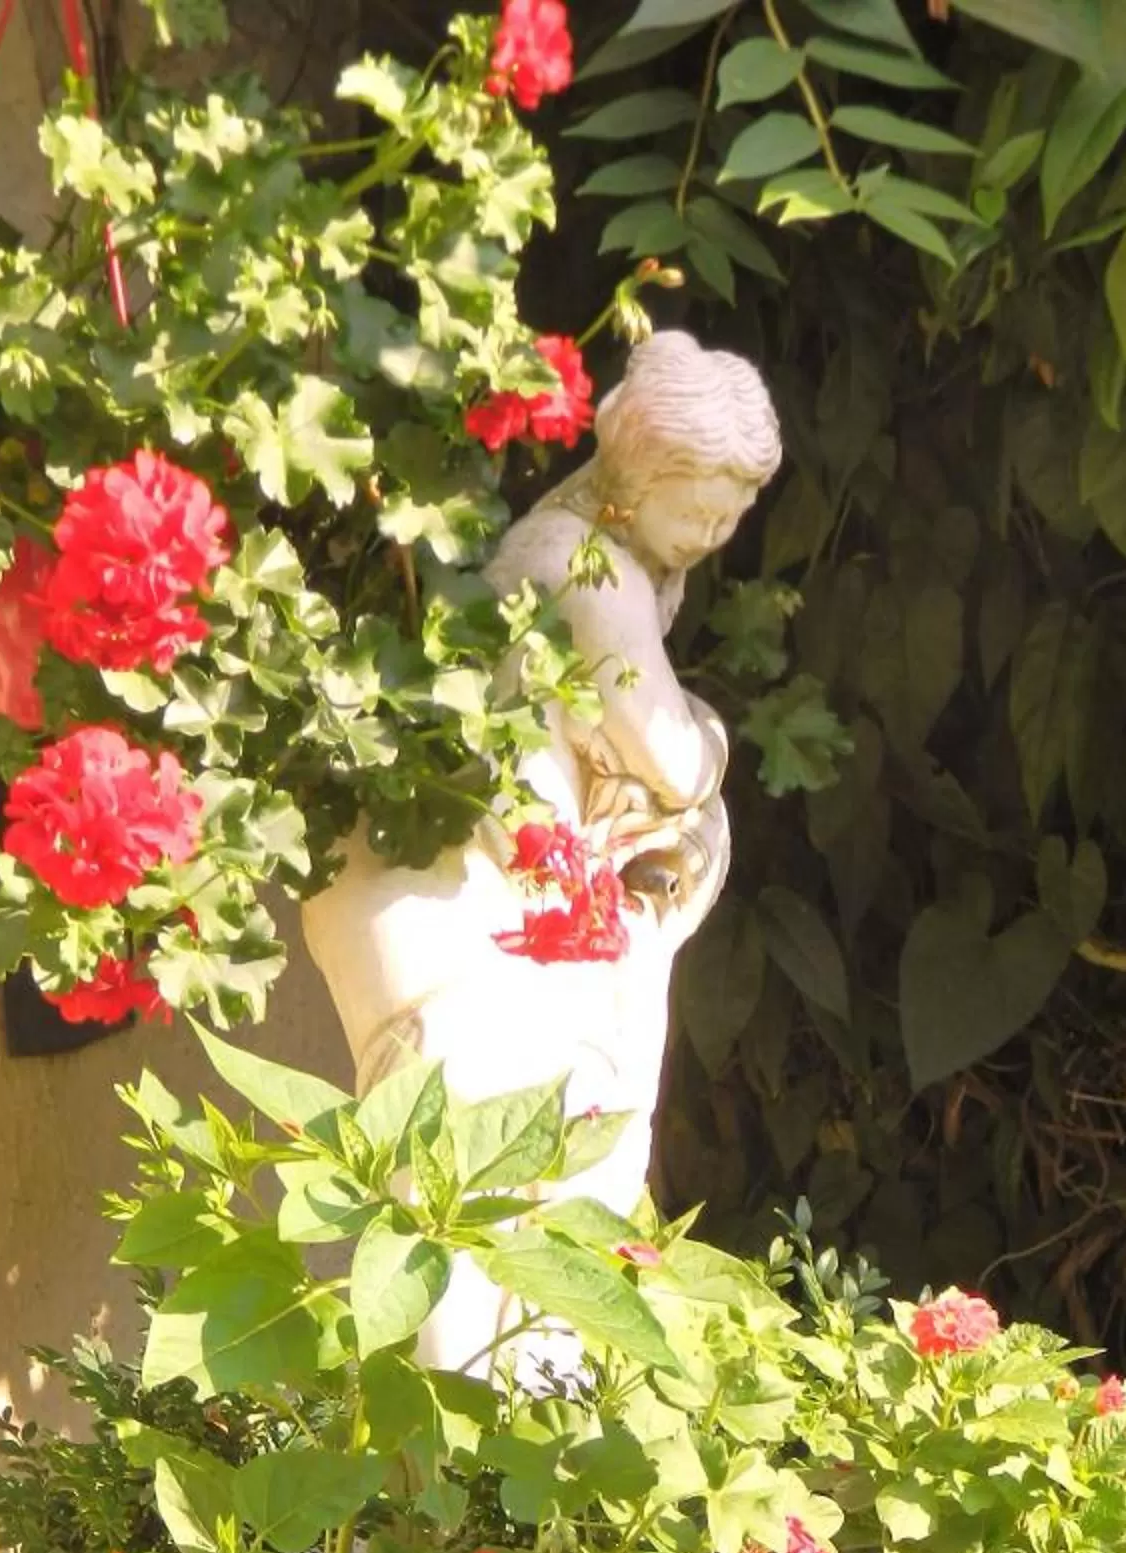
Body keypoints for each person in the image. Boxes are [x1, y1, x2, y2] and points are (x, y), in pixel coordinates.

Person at [300, 330, 782, 1371]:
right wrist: (712, 735)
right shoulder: (585, 570)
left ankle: (512, 1476)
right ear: (635, 473)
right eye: (697, 505)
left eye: (732, 514)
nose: (710, 533)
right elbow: (666, 752)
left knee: (542, 1210)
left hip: (523, 906)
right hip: (473, 917)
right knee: (488, 1219)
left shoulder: (628, 553)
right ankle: (474, 1482)